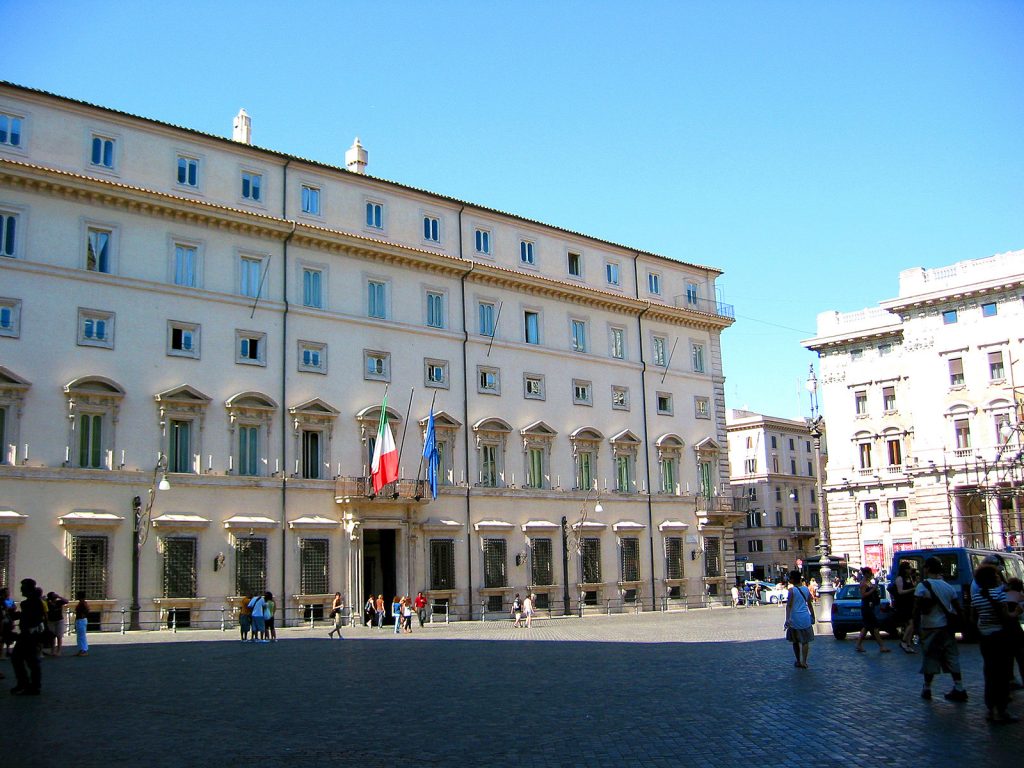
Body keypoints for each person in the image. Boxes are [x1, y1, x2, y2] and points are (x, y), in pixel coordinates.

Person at [971, 563, 1021, 723]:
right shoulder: (999, 595)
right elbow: (1006, 616)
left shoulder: (977, 596)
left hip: (985, 637)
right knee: (1003, 673)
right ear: (993, 578)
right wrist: (1017, 612)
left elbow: (973, 617)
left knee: (989, 672)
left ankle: (990, 709)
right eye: (997, 576)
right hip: (1000, 637)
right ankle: (1002, 709)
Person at [913, 556, 967, 702]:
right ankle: (959, 687)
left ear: (928, 569)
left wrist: (915, 628)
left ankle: (927, 688)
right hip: (946, 628)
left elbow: (916, 609)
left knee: (930, 658)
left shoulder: (922, 586)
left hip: (929, 627)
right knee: (951, 657)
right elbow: (957, 608)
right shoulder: (948, 587)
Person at [10, 578, 46, 695]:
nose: (20, 589)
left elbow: (32, 618)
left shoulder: (31, 602)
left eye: (22, 587)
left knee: (26, 660)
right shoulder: (31, 602)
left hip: (29, 635)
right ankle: (28, 684)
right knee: (25, 660)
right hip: (29, 635)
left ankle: (29, 685)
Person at [854, 567, 890, 654]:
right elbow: (863, 595)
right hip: (866, 607)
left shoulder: (868, 582)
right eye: (870, 573)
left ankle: (859, 645)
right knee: (875, 627)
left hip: (869, 606)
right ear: (866, 574)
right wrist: (873, 589)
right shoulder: (863, 583)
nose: (871, 575)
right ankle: (881, 646)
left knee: (866, 627)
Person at [784, 569, 815, 668]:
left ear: (793, 580)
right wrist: (813, 615)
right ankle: (804, 661)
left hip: (795, 618)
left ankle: (798, 660)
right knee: (805, 641)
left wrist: (787, 618)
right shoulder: (806, 589)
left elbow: (788, 606)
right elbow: (809, 604)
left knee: (795, 641)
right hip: (805, 617)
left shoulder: (791, 591)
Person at [892, 562, 918, 653]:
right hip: (903, 604)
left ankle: (908, 644)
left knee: (910, 625)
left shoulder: (909, 578)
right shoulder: (899, 578)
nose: (910, 570)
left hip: (910, 603)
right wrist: (913, 589)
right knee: (911, 623)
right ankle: (903, 641)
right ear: (904, 569)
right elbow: (900, 592)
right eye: (908, 568)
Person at [1005, 577, 1024, 689]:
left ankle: (1010, 679)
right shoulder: (1020, 596)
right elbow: (1017, 613)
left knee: (1008, 657)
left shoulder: (1003, 595)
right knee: (1021, 657)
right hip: (1016, 630)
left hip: (1005, 630)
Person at [45, 591, 69, 656]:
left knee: (59, 636)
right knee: (52, 636)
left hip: (59, 620)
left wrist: (59, 597)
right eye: (53, 596)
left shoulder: (59, 602)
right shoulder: (48, 603)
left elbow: (66, 601)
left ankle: (58, 651)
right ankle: (53, 650)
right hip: (51, 621)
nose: (54, 598)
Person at [73, 591, 89, 657]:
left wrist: (82, 615)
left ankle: (83, 650)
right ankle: (81, 649)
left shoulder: (83, 603)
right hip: (80, 620)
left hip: (81, 620)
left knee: (81, 636)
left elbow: (87, 610)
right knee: (80, 636)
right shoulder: (82, 603)